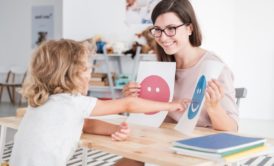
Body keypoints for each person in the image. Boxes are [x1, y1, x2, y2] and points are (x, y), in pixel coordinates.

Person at [9, 39, 188, 166]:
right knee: (134, 161)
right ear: (70, 74)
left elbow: (85, 124)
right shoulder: (73, 103)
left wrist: (115, 129)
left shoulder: (41, 103)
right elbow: (128, 104)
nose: (90, 73)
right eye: (86, 68)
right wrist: (171, 105)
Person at [117, 0, 238, 165]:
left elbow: (232, 130)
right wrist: (133, 98)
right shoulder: (160, 66)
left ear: (189, 28)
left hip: (198, 150)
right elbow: (149, 115)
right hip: (160, 143)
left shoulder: (215, 68)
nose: (163, 37)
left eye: (171, 29)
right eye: (157, 30)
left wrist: (214, 107)